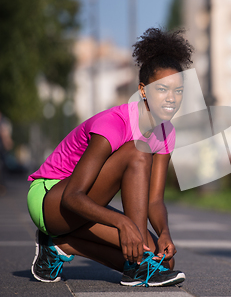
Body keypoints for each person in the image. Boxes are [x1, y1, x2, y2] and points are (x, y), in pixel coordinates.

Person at [26, 27, 193, 287]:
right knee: (138, 152)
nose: (172, 98)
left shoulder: (166, 133)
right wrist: (121, 221)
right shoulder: (114, 124)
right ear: (143, 90)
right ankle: (137, 267)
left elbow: (155, 200)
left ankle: (59, 245)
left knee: (164, 261)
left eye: (178, 91)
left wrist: (164, 233)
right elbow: (73, 195)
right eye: (162, 89)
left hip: (83, 204)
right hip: (51, 199)